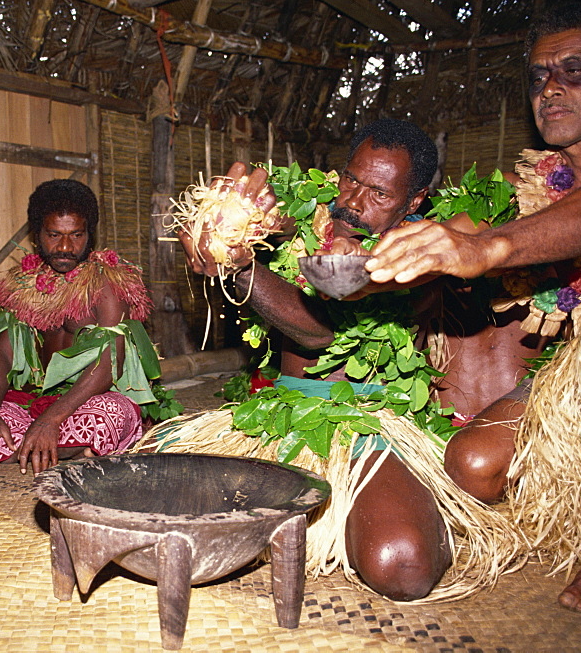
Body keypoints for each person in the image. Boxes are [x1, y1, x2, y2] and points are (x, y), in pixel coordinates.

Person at [363, 2, 581, 618]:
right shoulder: (533, 186)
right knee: (474, 465)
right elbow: (461, 227)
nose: (550, 89)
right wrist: (348, 265)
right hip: (574, 384)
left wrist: (486, 248)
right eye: (538, 76)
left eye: (574, 70)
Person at [177, 119, 465, 600]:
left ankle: (430, 512)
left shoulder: (425, 253)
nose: (354, 201)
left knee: (402, 567)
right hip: (284, 417)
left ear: (413, 203)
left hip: (373, 423)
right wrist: (228, 219)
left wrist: (240, 267)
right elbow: (270, 208)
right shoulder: (314, 212)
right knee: (160, 507)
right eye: (351, 179)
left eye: (379, 193)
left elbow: (318, 332)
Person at [0, 179, 159, 475]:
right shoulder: (27, 284)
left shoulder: (107, 285)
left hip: (89, 401)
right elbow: (2, 356)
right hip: (37, 403)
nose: (65, 247)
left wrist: (50, 421)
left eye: (76, 235)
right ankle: (61, 446)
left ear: (89, 235)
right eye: (54, 235)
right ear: (37, 235)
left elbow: (108, 367)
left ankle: (28, 444)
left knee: (112, 413)